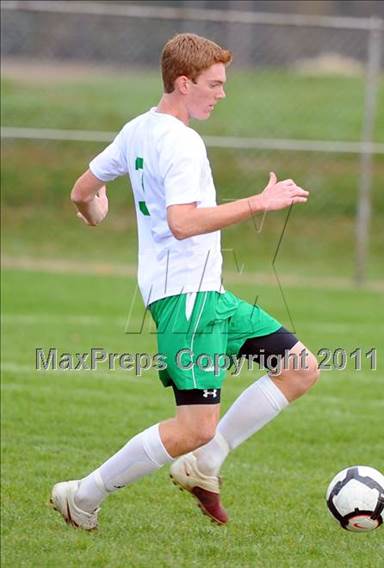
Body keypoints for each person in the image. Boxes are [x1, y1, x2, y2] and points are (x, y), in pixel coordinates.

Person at [50, 33, 319, 530]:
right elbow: (182, 222)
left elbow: (82, 191)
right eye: (214, 84)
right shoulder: (182, 142)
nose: (222, 93)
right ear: (182, 83)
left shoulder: (137, 129)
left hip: (207, 294)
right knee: (193, 427)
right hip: (186, 300)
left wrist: (93, 213)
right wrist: (259, 203)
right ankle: (82, 496)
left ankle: (204, 465)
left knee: (299, 368)